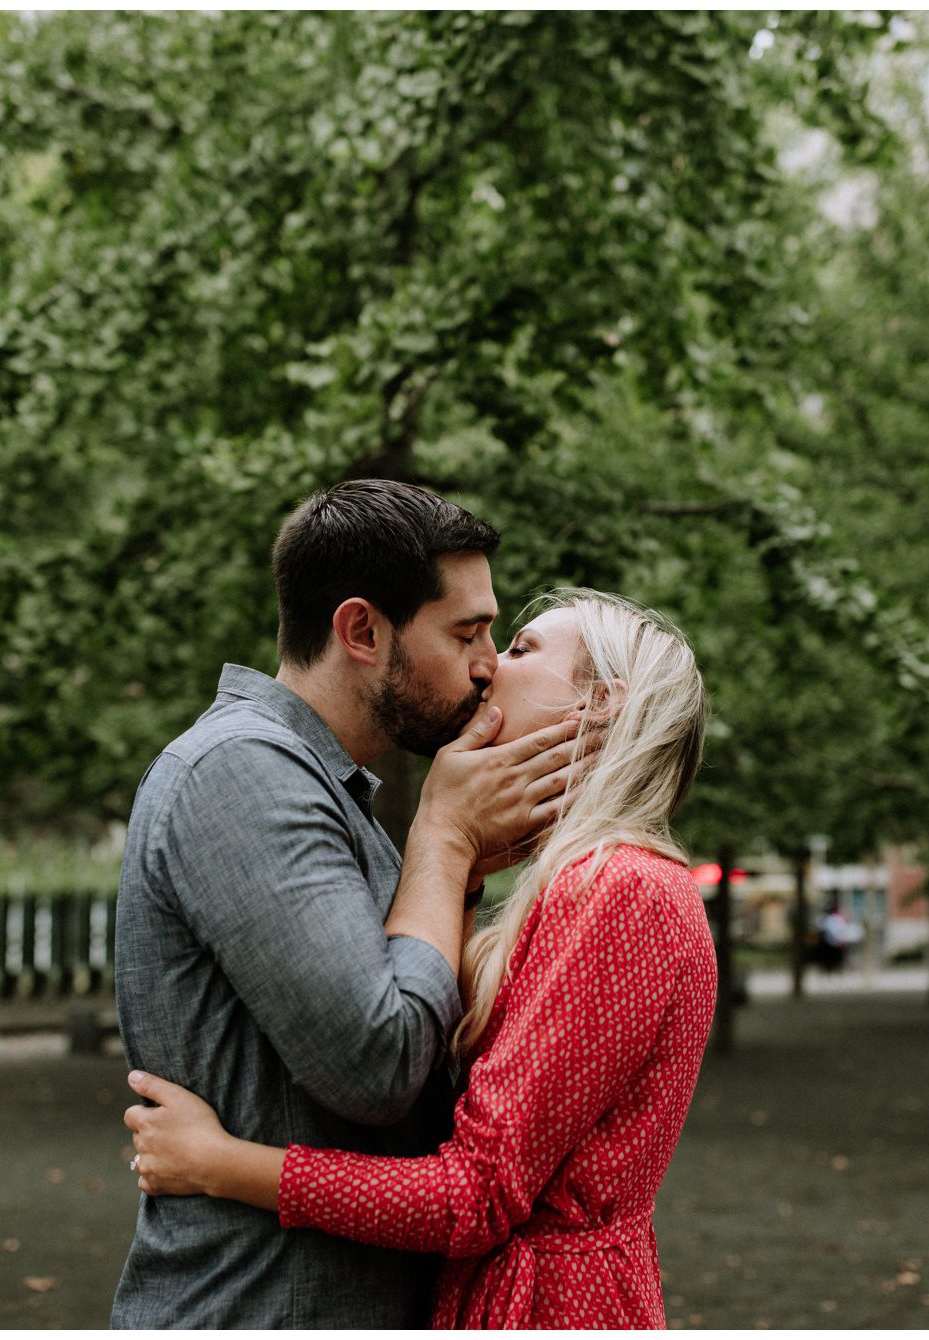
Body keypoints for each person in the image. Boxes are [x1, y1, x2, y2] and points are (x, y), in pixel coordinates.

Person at [125, 589, 717, 1329]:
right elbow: (430, 1020)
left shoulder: (619, 891)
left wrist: (222, 1165)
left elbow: (474, 1196)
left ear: (600, 704)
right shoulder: (596, 885)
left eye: (521, 649)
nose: (487, 667)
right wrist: (460, 864)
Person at [109, 481, 592, 1329]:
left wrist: (466, 870)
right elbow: (375, 1065)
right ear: (362, 630)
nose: (487, 665)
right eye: (466, 632)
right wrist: (442, 837)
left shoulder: (326, 789)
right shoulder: (239, 774)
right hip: (262, 1306)